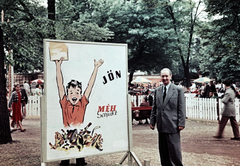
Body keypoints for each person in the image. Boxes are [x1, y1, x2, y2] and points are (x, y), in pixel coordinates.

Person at [55, 57, 104, 166]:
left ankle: (80, 162)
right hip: (67, 133)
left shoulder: (82, 103)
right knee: (65, 158)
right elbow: (60, 85)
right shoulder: (64, 103)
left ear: (81, 95)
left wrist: (96, 68)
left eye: (77, 92)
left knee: (80, 158)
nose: (74, 95)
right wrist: (58, 66)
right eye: (71, 92)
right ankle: (65, 162)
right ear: (67, 95)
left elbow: (89, 86)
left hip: (79, 133)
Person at [150, 68, 186, 166]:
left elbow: (181, 107)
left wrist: (181, 123)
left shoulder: (178, 90)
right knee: (163, 152)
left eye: (166, 76)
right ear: (160, 77)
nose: (165, 78)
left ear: (170, 76)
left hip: (173, 125)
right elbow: (154, 107)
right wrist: (152, 121)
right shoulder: (157, 90)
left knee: (174, 152)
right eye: (163, 76)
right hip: (161, 125)